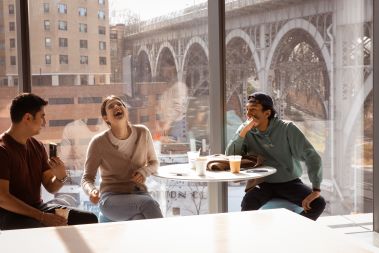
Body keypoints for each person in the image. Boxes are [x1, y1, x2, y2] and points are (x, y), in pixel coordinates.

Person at [0, 93, 98, 230]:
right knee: (39, 227)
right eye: (42, 116)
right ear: (27, 117)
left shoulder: (37, 146)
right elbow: (2, 198)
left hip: (38, 208)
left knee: (89, 219)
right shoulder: (2, 150)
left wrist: (61, 177)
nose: (44, 123)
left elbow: (50, 187)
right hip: (9, 214)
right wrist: (42, 216)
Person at [225, 92, 326, 220]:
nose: (248, 114)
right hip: (262, 182)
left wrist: (316, 189)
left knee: (318, 203)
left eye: (253, 110)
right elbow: (230, 156)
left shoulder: (287, 129)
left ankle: (297, 230)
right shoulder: (245, 130)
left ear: (267, 113)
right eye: (247, 110)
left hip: (289, 182)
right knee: (247, 205)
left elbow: (312, 156)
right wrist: (242, 132)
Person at [81, 95, 163, 221]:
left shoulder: (143, 133)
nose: (116, 107)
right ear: (105, 118)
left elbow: (154, 163)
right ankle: (167, 239)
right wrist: (91, 191)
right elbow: (87, 178)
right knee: (149, 204)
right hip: (111, 199)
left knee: (139, 218)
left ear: (126, 110)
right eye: (111, 106)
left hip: (139, 194)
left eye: (120, 104)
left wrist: (144, 171)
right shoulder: (98, 143)